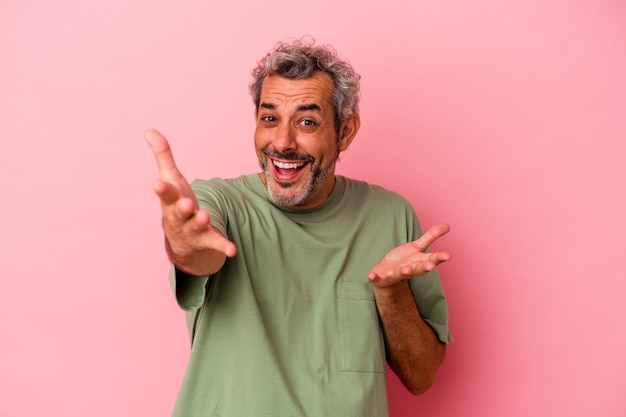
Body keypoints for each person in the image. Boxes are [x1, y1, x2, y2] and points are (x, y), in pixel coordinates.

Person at [145, 38, 453, 417]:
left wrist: (391, 293)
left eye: (307, 121)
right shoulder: (217, 202)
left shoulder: (391, 216)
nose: (282, 142)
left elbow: (420, 377)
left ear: (344, 132)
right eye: (269, 118)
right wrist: (185, 241)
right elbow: (199, 253)